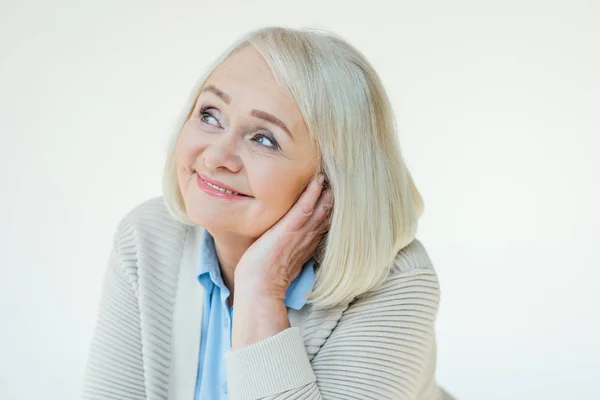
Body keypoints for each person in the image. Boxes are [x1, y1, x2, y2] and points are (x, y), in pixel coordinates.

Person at [81, 25, 456, 400]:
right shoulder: (148, 238)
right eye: (210, 115)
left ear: (332, 182)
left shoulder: (395, 281)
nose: (215, 156)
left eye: (264, 138)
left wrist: (261, 293)